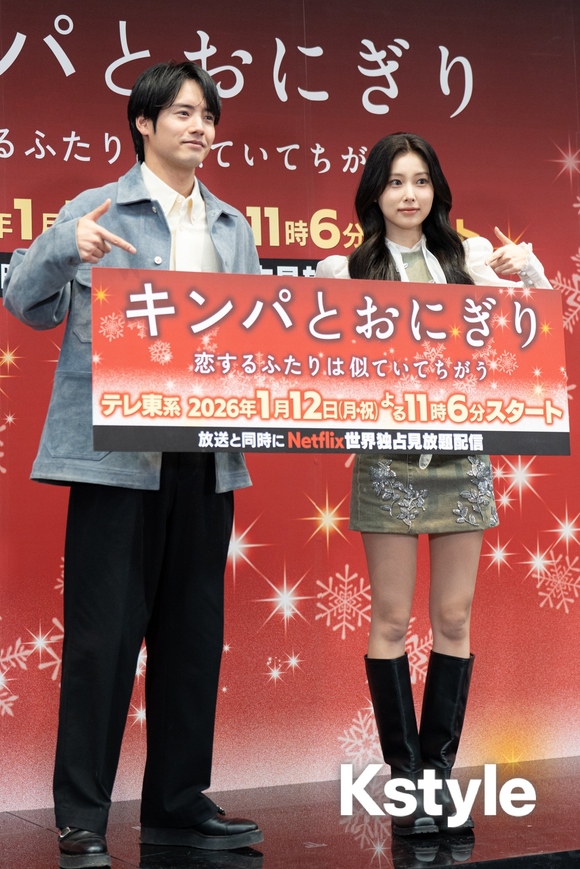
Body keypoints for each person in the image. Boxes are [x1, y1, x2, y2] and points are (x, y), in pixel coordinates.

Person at [4, 61, 263, 868]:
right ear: (143, 124)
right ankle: (82, 814)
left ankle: (177, 804)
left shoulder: (231, 226)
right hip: (117, 460)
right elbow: (24, 303)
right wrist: (62, 246)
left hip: (206, 455)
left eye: (207, 115)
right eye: (182, 112)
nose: (199, 127)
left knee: (193, 637)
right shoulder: (96, 209)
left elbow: (260, 332)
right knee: (102, 640)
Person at [316, 132, 552, 836]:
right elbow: (312, 353)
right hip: (387, 459)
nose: (409, 194)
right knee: (390, 619)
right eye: (395, 181)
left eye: (420, 180)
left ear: (437, 191)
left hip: (462, 457)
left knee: (453, 616)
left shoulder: (469, 260)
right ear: (374, 193)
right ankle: (405, 783)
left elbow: (534, 331)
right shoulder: (343, 269)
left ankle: (437, 779)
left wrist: (530, 271)